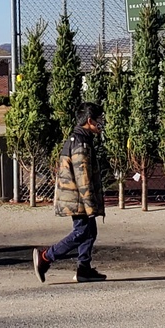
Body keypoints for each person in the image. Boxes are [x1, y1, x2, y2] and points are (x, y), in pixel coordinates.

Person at [33, 102, 106, 284]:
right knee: (81, 232)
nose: (102, 123)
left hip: (76, 197)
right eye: (99, 120)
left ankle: (84, 269)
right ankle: (46, 257)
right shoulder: (81, 143)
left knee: (90, 231)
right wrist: (90, 206)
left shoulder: (81, 139)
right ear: (89, 121)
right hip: (77, 198)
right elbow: (83, 178)